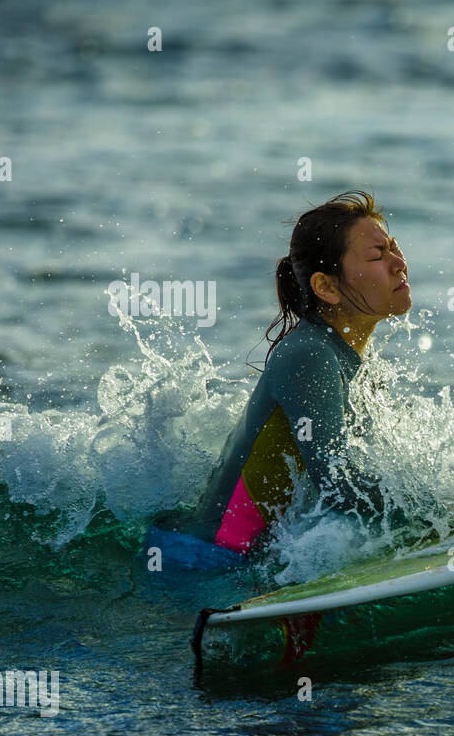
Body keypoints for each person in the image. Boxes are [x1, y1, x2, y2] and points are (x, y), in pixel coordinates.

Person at [147, 189, 412, 571]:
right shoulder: (309, 355)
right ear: (327, 287)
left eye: (393, 247)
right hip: (210, 563)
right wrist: (442, 508)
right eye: (377, 255)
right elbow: (337, 487)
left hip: (249, 559)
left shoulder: (351, 355)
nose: (399, 263)